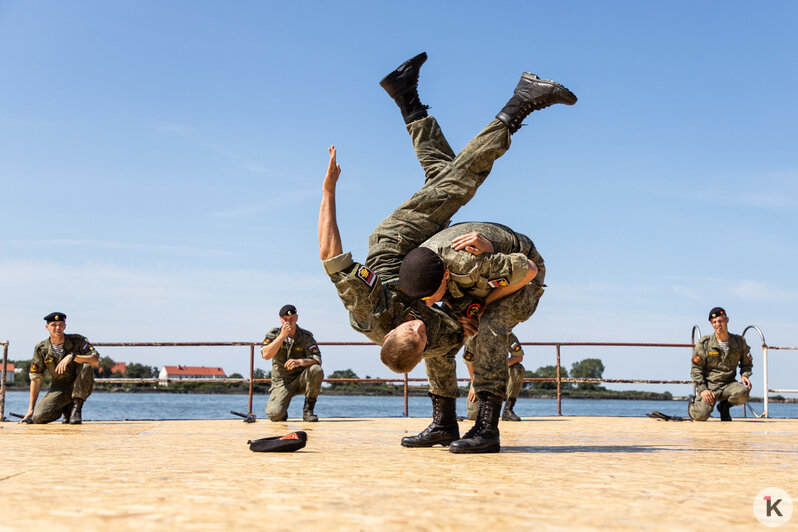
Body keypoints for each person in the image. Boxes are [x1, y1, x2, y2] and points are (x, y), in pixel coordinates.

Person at [319, 52, 576, 452]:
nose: (419, 326)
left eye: (412, 327)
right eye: (419, 334)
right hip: (429, 266)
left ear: (392, 329)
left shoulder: (366, 311)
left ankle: (520, 101)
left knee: (456, 183)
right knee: (443, 177)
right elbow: (452, 330)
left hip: (396, 245)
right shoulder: (426, 334)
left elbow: (329, 255)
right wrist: (467, 315)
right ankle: (445, 422)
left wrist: (328, 190)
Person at [400, 221, 545, 452]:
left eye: (430, 297)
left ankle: (487, 430)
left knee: (490, 326)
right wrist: (463, 310)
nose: (428, 303)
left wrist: (482, 307)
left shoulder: (468, 262)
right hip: (470, 284)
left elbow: (529, 271)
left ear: (445, 274)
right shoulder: (417, 265)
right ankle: (443, 424)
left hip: (523, 275)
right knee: (438, 331)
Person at [20, 312, 99, 424]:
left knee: (86, 366)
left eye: (60, 324)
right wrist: (30, 410)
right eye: (54, 325)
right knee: (38, 418)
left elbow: (95, 360)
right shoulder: (41, 349)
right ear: (47, 327)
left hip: (80, 383)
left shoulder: (78, 341)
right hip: (59, 386)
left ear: (65, 326)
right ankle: (64, 408)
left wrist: (73, 357)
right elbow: (36, 379)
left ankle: (76, 408)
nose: (57, 328)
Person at [260, 304, 324, 422]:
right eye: (285, 319)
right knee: (274, 415)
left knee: (316, 370)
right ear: (281, 319)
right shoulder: (273, 334)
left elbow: (317, 358)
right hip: (282, 382)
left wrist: (300, 362)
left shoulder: (306, 337)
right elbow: (265, 355)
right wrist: (282, 336)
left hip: (301, 380)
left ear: (297, 318)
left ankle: (308, 410)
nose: (289, 322)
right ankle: (282, 411)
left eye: (292, 318)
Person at [688, 307, 753, 421]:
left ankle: (724, 407)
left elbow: (747, 363)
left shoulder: (739, 342)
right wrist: (703, 389)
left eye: (721, 321)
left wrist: (745, 375)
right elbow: (696, 369)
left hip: (729, 384)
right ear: (711, 324)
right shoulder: (705, 343)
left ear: (727, 320)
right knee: (701, 416)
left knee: (743, 393)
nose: (718, 324)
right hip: (710, 386)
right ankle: (692, 404)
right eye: (714, 322)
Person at [464, 332, 526, 422]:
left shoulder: (507, 335)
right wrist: (474, 384)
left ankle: (508, 410)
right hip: (481, 375)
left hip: (501, 372)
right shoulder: (473, 337)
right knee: (474, 416)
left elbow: (518, 357)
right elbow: (469, 363)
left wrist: (499, 367)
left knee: (518, 369)